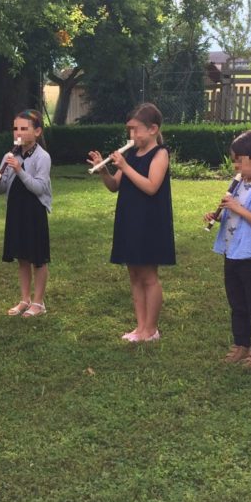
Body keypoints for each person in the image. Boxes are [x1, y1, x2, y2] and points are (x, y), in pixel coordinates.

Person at [87, 102, 175, 342]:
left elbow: (151, 186)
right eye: (129, 130)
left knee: (148, 275)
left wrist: (125, 166)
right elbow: (115, 186)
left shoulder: (160, 154)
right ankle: (140, 327)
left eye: (136, 129)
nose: (131, 135)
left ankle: (152, 329)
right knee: (134, 274)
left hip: (150, 221)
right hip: (129, 219)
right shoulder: (130, 154)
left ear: (153, 129)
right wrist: (103, 171)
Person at [204, 130, 251, 370]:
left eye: (239, 160)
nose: (235, 165)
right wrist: (217, 216)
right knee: (237, 304)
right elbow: (232, 215)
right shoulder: (238, 186)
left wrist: (238, 209)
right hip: (232, 253)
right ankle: (241, 344)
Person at [0, 109, 52, 317]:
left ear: (37, 131)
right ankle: (25, 299)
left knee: (37, 258)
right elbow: (2, 188)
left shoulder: (43, 157)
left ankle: (39, 303)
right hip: (16, 210)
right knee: (22, 257)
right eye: (16, 128)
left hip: (34, 210)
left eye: (24, 128)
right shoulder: (10, 155)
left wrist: (19, 171)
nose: (18, 133)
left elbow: (39, 188)